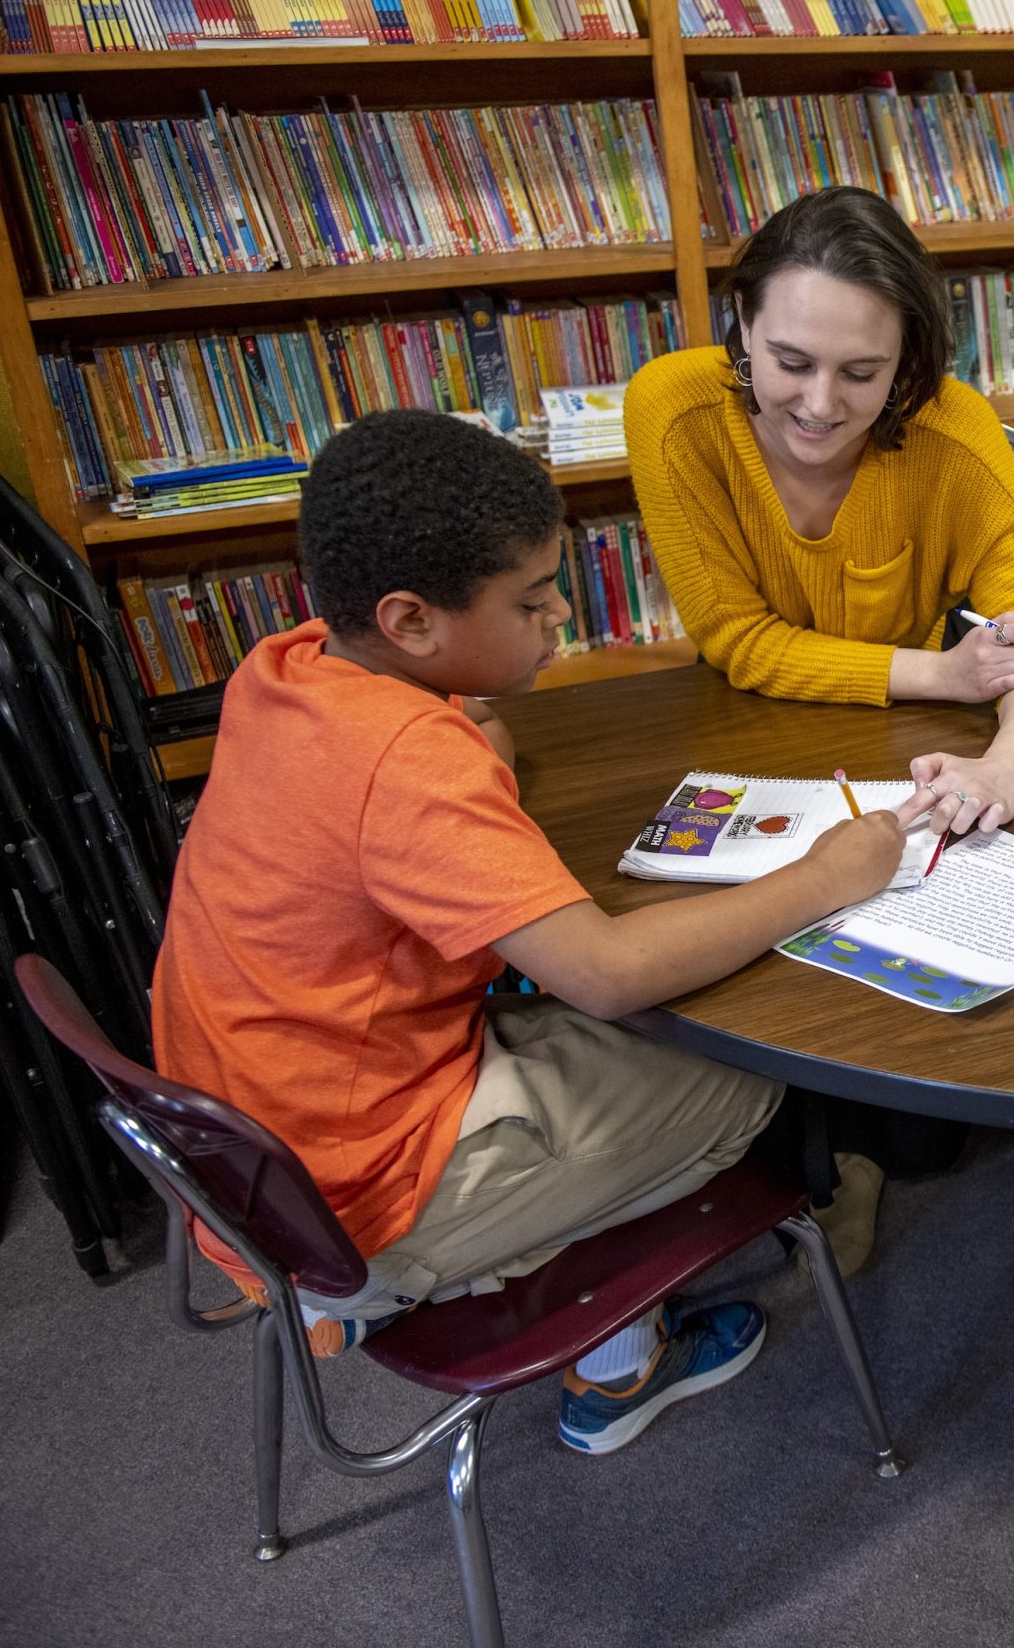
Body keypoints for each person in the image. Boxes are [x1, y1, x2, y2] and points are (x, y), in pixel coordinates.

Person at [151, 410, 904, 1456]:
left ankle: (555, 1248)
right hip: (358, 1201)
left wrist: (471, 752)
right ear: (411, 620)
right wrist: (824, 876)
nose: (559, 616)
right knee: (745, 1087)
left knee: (611, 1041)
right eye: (532, 599)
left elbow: (376, 818)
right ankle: (615, 1369)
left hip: (263, 1135)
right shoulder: (410, 767)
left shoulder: (285, 670)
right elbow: (603, 973)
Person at [623, 184, 1014, 840]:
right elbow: (739, 641)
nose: (819, 404)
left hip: (907, 750)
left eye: (862, 373)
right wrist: (946, 674)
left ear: (905, 359)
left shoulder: (955, 433)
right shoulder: (672, 414)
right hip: (747, 740)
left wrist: (1004, 768)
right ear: (744, 320)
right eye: (790, 361)